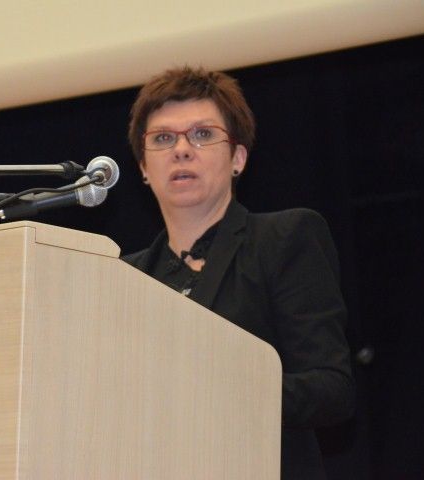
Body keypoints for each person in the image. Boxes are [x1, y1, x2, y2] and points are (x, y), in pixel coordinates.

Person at [122, 66, 355, 480]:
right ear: (143, 166)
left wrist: (220, 390)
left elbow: (330, 391)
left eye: (202, 134)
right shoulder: (121, 278)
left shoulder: (284, 239)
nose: (181, 150)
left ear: (238, 158)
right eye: (162, 138)